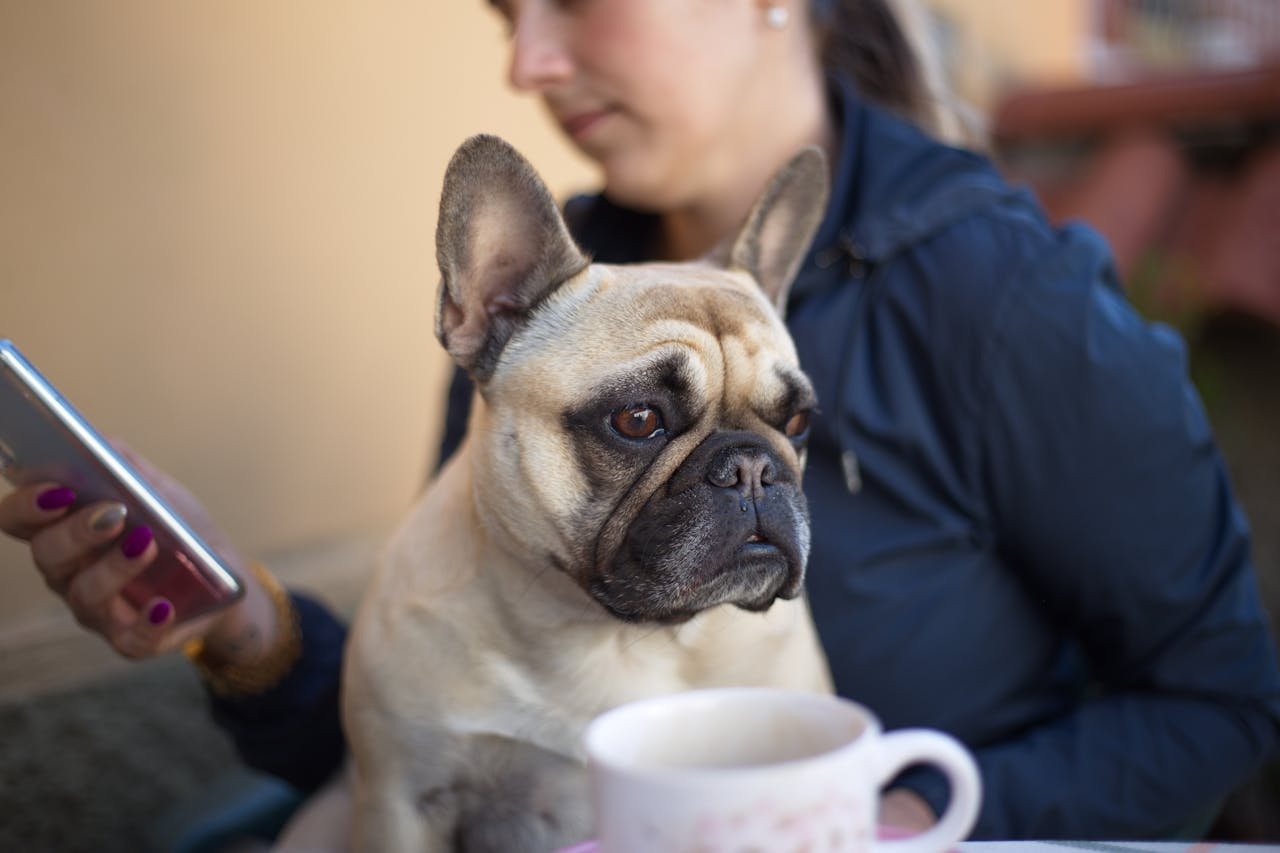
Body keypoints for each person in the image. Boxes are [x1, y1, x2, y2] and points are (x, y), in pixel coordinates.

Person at [4, 0, 1279, 841]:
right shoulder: (556, 303)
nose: (529, 60)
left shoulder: (1005, 298)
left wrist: (888, 821)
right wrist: (245, 621)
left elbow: (1223, 698)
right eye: (509, 13)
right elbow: (447, 734)